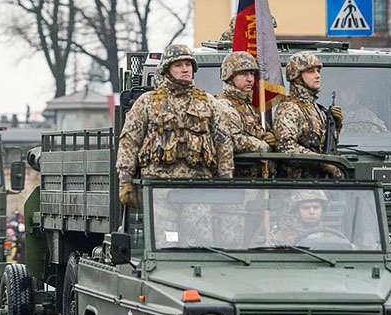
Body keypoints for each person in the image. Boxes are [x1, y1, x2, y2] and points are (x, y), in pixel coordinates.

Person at [116, 44, 235, 209]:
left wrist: (225, 182)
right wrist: (125, 180)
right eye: (178, 65)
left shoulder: (209, 103)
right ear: (166, 70)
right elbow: (129, 142)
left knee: (198, 235)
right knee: (162, 235)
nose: (185, 69)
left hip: (199, 189)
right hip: (158, 189)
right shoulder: (147, 102)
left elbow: (223, 144)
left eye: (188, 65)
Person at [273, 52, 343, 178]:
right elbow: (285, 147)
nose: (317, 76)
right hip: (297, 186)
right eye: (311, 71)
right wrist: (322, 163)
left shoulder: (315, 109)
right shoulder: (289, 108)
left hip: (319, 184)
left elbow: (322, 146)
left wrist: (335, 127)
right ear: (297, 77)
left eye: (318, 71)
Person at [213, 51, 277, 177]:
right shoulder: (224, 105)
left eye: (252, 74)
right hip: (238, 181)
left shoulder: (249, 106)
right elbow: (233, 140)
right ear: (229, 77)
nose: (250, 79)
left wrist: (271, 138)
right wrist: (263, 146)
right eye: (243, 74)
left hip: (257, 178)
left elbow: (261, 134)